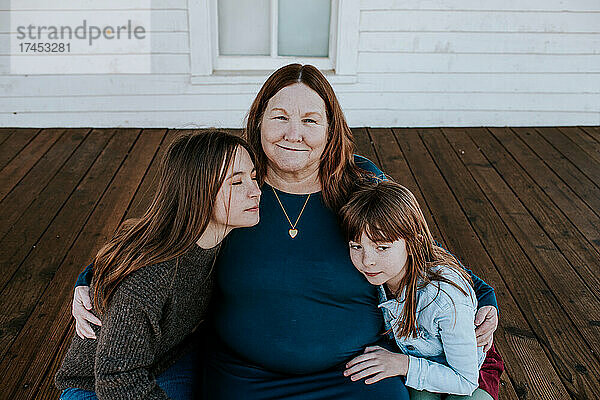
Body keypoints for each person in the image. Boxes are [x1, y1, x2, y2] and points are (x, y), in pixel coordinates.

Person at [70, 64, 500, 399]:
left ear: (332, 131)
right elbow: (163, 229)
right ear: (258, 122)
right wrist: (89, 281)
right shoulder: (235, 186)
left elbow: (419, 247)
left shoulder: (359, 184)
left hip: (352, 374)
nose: (294, 134)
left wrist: (482, 297)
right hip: (243, 375)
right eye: (280, 117)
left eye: (311, 120)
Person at [55, 130, 261, 400]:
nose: (256, 191)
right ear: (196, 191)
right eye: (236, 183)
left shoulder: (222, 236)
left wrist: (86, 278)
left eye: (254, 177)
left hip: (168, 358)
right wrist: (87, 282)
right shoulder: (153, 276)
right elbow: (116, 379)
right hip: (96, 386)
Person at [340, 180, 493, 399]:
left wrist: (403, 364)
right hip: (426, 363)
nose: (367, 261)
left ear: (413, 244)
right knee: (419, 396)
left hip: (465, 372)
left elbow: (465, 380)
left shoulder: (444, 299)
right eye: (356, 246)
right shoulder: (379, 276)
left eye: (382, 247)